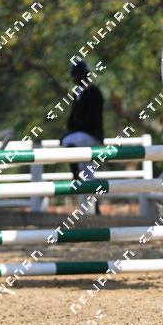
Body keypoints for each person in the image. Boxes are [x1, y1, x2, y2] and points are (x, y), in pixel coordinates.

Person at [61, 59, 104, 213]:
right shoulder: (77, 94)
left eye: (79, 75)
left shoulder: (94, 93)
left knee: (69, 141)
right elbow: (71, 120)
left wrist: (73, 130)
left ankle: (75, 175)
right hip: (82, 137)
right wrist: (71, 129)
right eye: (75, 75)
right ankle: (93, 209)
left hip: (92, 136)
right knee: (89, 174)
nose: (76, 78)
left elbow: (91, 120)